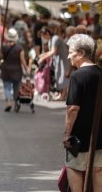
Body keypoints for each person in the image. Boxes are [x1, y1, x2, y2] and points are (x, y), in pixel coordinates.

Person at [63, 34, 102, 191]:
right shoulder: (100, 73)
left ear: (80, 53)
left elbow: (73, 108)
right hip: (101, 133)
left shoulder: (77, 76)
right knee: (98, 170)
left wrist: (67, 133)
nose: (68, 56)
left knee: (74, 168)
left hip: (80, 134)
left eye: (70, 51)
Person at [0, 28, 29, 112]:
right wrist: (27, 69)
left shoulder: (4, 47)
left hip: (6, 70)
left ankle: (8, 103)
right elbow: (22, 60)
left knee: (7, 87)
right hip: (17, 70)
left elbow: (1, 57)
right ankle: (16, 103)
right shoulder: (19, 48)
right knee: (16, 87)